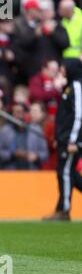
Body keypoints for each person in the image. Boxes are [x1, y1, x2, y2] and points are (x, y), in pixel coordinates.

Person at [43, 59, 82, 221]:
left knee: (65, 173)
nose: (62, 70)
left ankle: (63, 210)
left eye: (64, 67)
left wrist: (73, 140)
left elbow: (78, 115)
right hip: (65, 139)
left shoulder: (77, 86)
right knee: (67, 173)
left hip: (71, 141)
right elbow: (65, 117)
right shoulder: (70, 87)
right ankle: (61, 208)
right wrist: (59, 138)